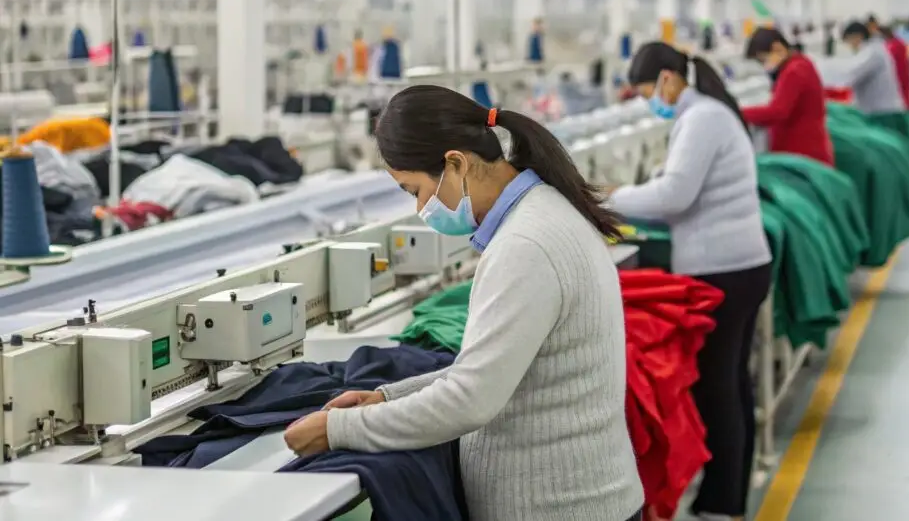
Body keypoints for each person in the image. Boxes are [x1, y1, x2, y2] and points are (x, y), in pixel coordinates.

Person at [283, 84, 644, 521]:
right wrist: (386, 399)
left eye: (415, 190)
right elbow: (492, 373)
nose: (421, 208)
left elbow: (471, 400)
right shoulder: (543, 211)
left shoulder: (525, 245)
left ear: (456, 164)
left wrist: (338, 430)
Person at [606, 42, 772, 521]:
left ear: (667, 79)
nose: (649, 103)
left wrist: (610, 197)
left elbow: (674, 195)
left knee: (717, 389)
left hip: (723, 271)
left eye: (647, 93)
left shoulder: (701, 119)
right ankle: (729, 496)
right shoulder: (709, 113)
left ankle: (721, 503)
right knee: (732, 384)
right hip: (742, 265)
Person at [742, 27, 834, 166]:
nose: (764, 65)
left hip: (803, 155)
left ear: (777, 48)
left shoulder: (794, 71)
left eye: (763, 59)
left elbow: (778, 111)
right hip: (802, 152)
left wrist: (739, 112)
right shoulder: (799, 64)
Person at [840, 21, 907, 114]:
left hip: (884, 111)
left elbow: (851, 75)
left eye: (849, 40)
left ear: (857, 36)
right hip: (880, 109)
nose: (849, 45)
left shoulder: (872, 53)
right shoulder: (873, 50)